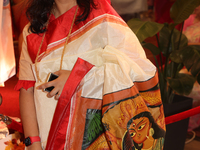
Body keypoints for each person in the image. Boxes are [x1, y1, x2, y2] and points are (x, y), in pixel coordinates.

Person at [15, 0, 166, 149]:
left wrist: (79, 77)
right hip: (47, 136)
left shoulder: (102, 18)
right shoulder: (33, 31)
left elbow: (139, 69)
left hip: (94, 137)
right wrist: (33, 142)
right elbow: (27, 89)